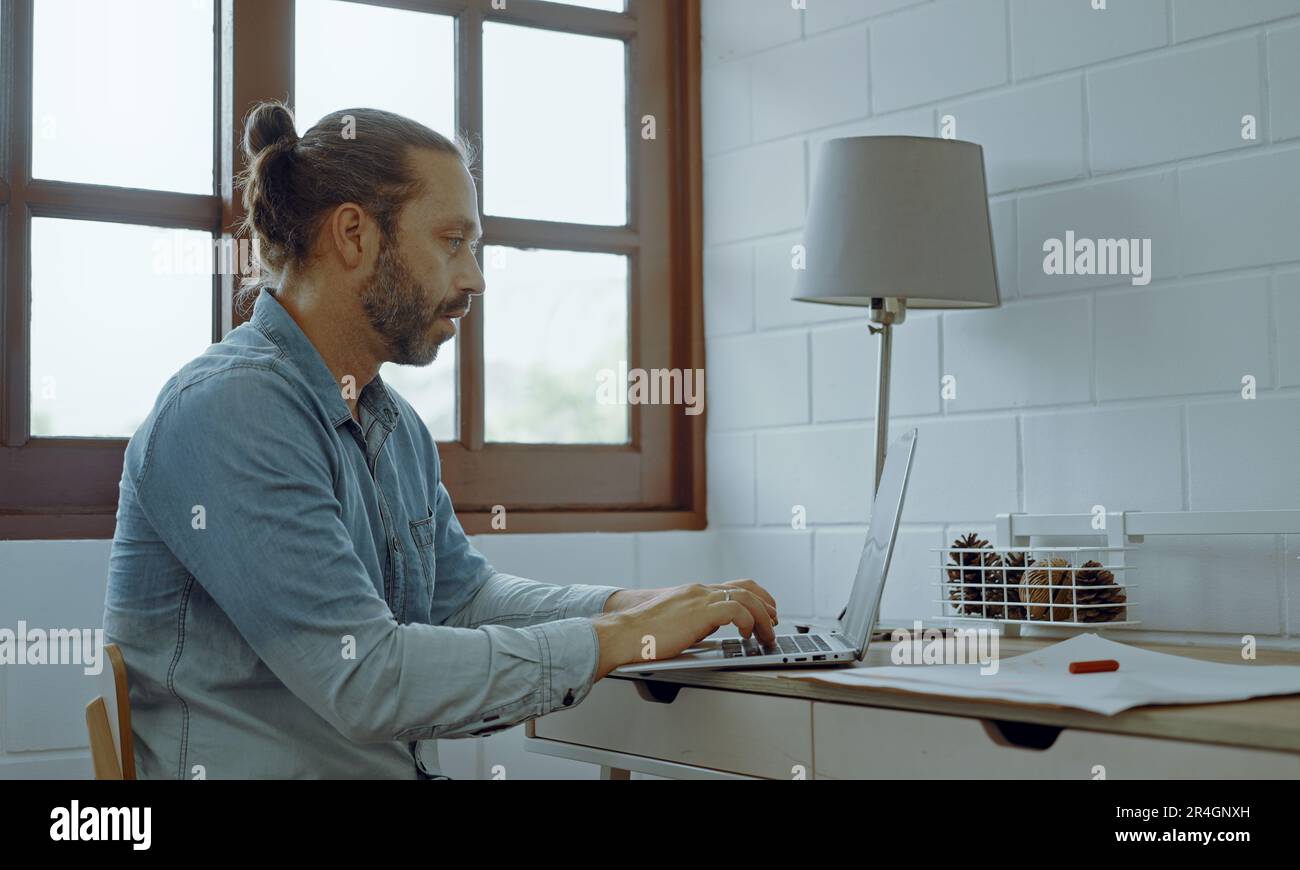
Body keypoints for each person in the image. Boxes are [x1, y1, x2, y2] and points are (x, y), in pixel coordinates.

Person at [103, 101, 779, 779]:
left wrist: (626, 608)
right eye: (453, 241)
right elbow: (365, 677)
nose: (474, 278)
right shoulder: (231, 411)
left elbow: (462, 601)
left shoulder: (392, 425)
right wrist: (614, 639)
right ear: (353, 235)